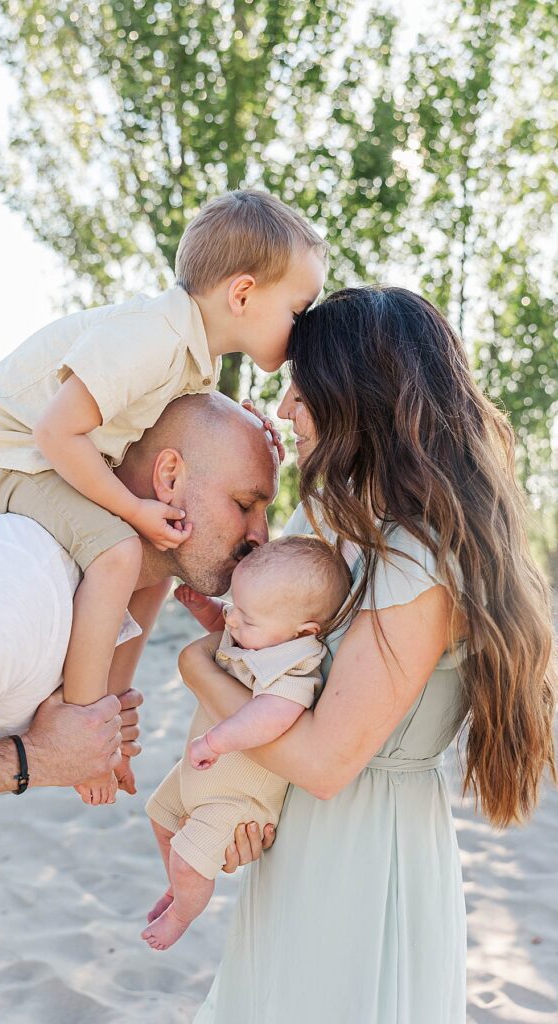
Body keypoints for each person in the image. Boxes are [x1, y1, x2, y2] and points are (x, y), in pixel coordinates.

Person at [180, 288, 556, 1024]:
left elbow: (324, 761)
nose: (285, 407)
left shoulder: (417, 554)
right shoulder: (332, 519)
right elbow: (281, 683)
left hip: (366, 853)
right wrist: (244, 803)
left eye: (301, 386)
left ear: (355, 396)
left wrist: (194, 665)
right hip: (301, 838)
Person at [0, 393, 279, 1024]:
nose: (261, 535)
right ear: (169, 478)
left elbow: (152, 582)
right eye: (246, 503)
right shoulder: (11, 582)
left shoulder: (110, 585)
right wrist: (31, 759)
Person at [0, 189, 326, 806]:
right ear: (242, 295)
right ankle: (83, 731)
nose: (302, 332)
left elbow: (187, 429)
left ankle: (115, 715)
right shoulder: (149, 335)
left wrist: (251, 427)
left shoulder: (194, 358)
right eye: (298, 308)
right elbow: (54, 430)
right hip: (9, 453)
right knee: (121, 552)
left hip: (51, 452)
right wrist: (132, 512)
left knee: (164, 548)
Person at [142, 535, 351, 950]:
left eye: (246, 618)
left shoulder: (296, 668)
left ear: (303, 631)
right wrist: (208, 611)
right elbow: (228, 626)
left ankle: (184, 911)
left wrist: (217, 741)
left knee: (189, 860)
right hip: (203, 773)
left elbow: (268, 716)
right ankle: (178, 887)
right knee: (160, 816)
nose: (233, 621)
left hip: (237, 797)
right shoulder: (263, 633)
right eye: (234, 605)